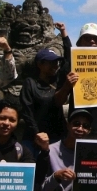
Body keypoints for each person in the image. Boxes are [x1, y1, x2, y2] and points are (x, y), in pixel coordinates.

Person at [19, 26, 74, 156]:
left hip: (57, 137)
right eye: (51, 62)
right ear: (40, 64)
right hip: (33, 138)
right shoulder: (30, 83)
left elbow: (69, 58)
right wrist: (37, 134)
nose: (55, 65)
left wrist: (64, 34)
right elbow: (27, 112)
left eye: (56, 62)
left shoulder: (59, 81)